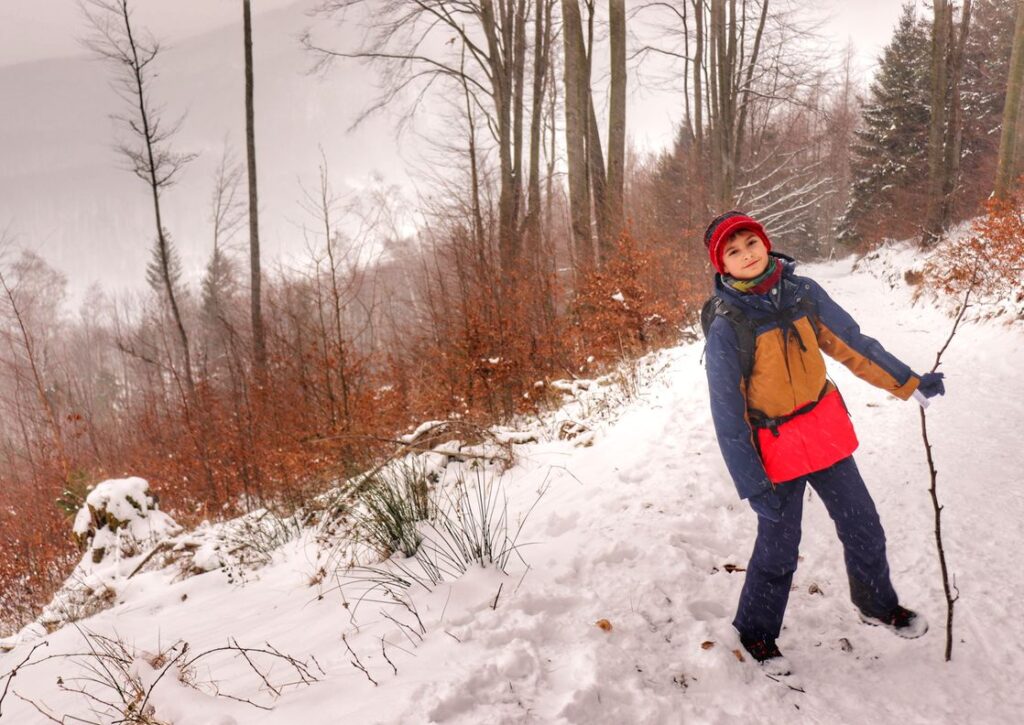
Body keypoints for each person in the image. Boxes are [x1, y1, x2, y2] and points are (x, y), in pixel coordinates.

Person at [701, 211, 946, 676]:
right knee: (778, 547)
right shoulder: (727, 324)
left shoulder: (803, 293)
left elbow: (852, 344)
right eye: (733, 251)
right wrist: (752, 483)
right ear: (722, 266)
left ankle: (876, 603)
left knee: (864, 527)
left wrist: (908, 383)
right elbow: (726, 413)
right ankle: (755, 632)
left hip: (824, 432)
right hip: (774, 447)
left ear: (765, 242)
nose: (747, 255)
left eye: (750, 243)